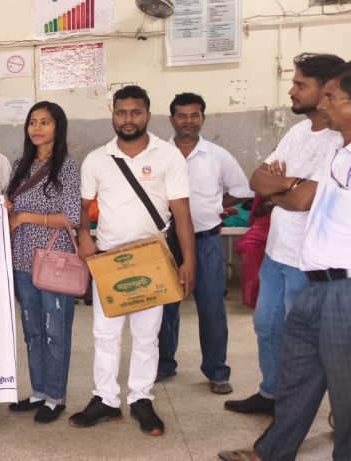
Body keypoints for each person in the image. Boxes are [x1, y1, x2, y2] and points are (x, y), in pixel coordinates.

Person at [218, 60, 351, 461]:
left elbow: (301, 199)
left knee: (345, 392)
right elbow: (269, 185)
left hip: (343, 287)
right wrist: (286, 189)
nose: (323, 104)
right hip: (317, 282)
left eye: (331, 97)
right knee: (297, 375)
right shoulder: (339, 150)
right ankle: (273, 451)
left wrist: (281, 190)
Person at [70, 85, 196, 436]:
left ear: (148, 115)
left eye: (135, 112)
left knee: (146, 336)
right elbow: (83, 208)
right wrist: (84, 236)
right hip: (108, 260)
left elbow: (182, 214)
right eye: (121, 112)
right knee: (104, 335)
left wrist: (189, 261)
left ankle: (141, 399)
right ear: (113, 114)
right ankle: (106, 400)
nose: (128, 119)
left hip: (151, 259)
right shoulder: (97, 158)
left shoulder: (168, 156)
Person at [156, 92, 253, 394]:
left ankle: (217, 371)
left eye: (194, 115)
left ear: (203, 118)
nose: (188, 121)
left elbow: (243, 190)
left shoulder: (217, 155)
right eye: (182, 116)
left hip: (206, 241)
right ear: (171, 119)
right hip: (166, 243)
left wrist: (215, 204)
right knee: (165, 307)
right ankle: (163, 364)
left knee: (212, 307)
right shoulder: (157, 155)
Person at [4, 101, 81, 424]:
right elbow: (12, 207)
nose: (37, 128)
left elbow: (72, 216)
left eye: (45, 122)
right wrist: (9, 209)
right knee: (33, 331)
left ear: (58, 127)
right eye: (33, 122)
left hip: (54, 261)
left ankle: (56, 396)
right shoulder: (20, 165)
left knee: (55, 331)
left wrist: (24, 217)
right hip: (22, 260)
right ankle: (38, 392)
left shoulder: (67, 167)